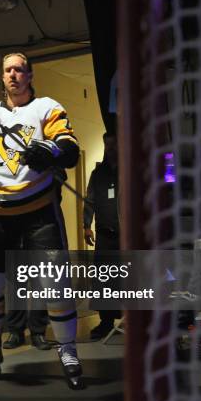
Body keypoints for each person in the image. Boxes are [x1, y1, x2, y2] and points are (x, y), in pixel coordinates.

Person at [0, 52, 82, 387]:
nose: (13, 75)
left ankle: (68, 350)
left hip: (39, 213)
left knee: (54, 286)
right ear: (2, 77)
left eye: (19, 69)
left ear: (29, 75)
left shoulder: (47, 107)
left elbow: (69, 146)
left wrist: (50, 151)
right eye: (7, 70)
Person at [83, 132, 123, 340]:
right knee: (104, 280)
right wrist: (86, 225)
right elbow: (90, 199)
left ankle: (131, 321)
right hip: (105, 236)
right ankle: (105, 321)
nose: (110, 149)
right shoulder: (98, 173)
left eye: (114, 145)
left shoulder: (129, 171)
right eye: (107, 145)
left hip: (127, 237)